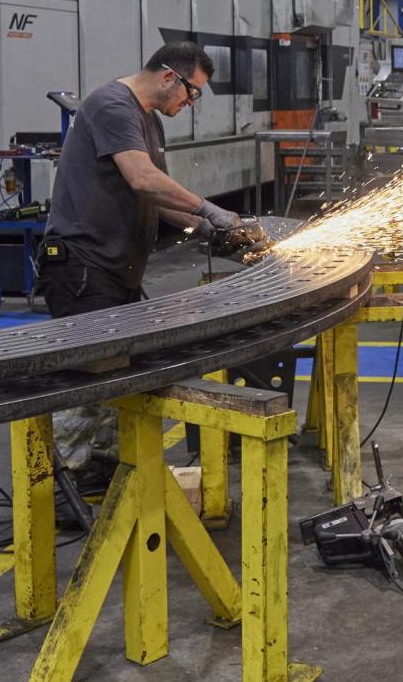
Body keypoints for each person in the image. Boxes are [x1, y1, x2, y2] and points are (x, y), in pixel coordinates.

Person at [39, 41, 244, 483]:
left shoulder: (146, 120)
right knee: (87, 380)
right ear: (170, 76)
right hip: (82, 267)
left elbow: (149, 194)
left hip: (116, 269)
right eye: (192, 93)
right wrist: (208, 208)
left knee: (120, 371)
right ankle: (59, 483)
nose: (190, 103)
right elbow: (142, 177)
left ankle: (105, 468)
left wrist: (201, 225)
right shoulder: (113, 106)